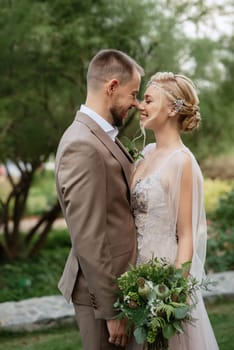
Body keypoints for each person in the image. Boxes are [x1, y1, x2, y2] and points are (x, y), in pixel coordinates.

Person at [55, 49, 144, 350]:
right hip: (103, 299)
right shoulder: (82, 144)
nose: (136, 103)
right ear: (112, 87)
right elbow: (89, 236)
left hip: (121, 287)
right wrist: (111, 309)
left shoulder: (101, 136)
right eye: (133, 94)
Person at [128, 72, 219, 349]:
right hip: (136, 278)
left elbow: (187, 235)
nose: (140, 106)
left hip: (164, 280)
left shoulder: (182, 162)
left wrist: (172, 295)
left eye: (148, 100)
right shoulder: (145, 153)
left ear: (172, 109)